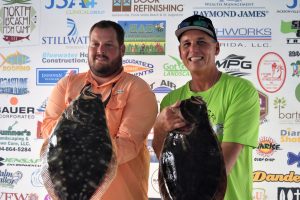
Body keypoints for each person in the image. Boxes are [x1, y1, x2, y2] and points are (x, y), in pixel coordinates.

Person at [41, 20, 158, 200]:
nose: (100, 50)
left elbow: (129, 145)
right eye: (95, 44)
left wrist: (81, 141)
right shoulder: (66, 85)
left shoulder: (137, 89)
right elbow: (48, 129)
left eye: (108, 45)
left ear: (122, 50)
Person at [152, 15, 260, 200]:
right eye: (186, 44)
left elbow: (225, 164)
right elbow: (164, 158)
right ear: (180, 52)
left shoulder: (240, 90)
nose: (193, 49)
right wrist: (159, 127)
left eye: (201, 42)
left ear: (216, 48)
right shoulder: (171, 99)